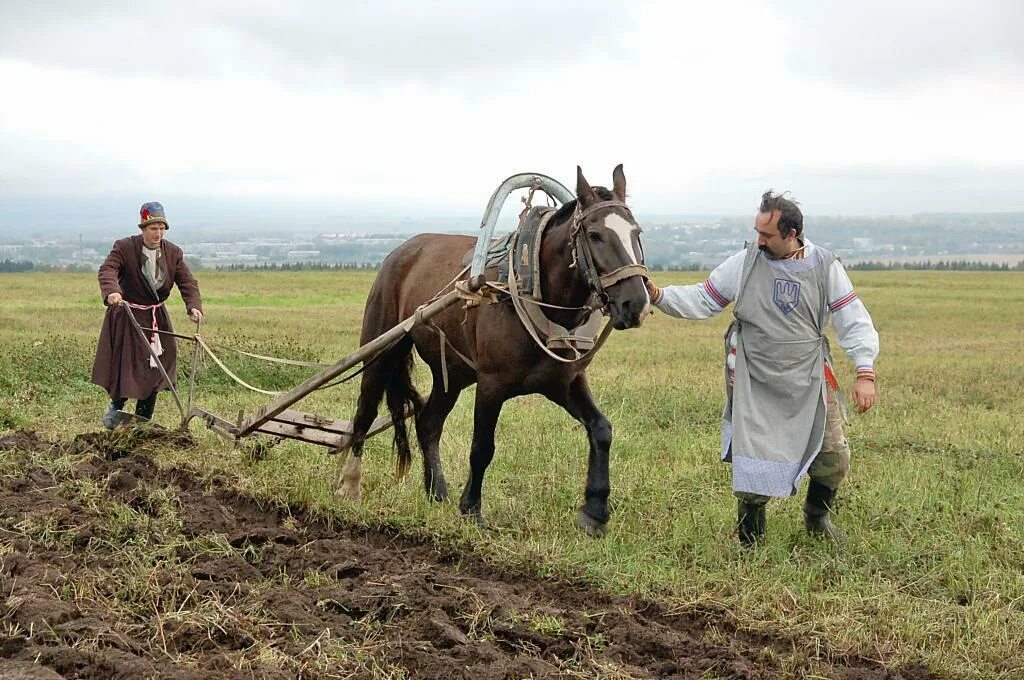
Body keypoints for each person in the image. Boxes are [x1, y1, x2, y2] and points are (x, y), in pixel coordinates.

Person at [646, 191, 879, 545]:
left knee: (833, 456)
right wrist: (660, 296)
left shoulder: (826, 266)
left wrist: (865, 372)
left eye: (767, 235)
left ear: (792, 233)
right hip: (756, 378)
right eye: (757, 232)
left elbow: (853, 320)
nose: (759, 241)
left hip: (809, 377)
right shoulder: (746, 261)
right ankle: (749, 538)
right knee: (754, 459)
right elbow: (705, 298)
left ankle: (817, 520)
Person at [92, 202, 203, 428]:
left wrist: (194, 306)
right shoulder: (124, 247)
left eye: (162, 228)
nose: (158, 233)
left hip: (156, 317)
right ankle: (116, 409)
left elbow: (187, 282)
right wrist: (112, 291)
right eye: (153, 228)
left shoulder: (173, 253)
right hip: (128, 316)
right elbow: (108, 270)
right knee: (127, 365)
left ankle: (143, 419)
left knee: (156, 366)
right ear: (143, 228)